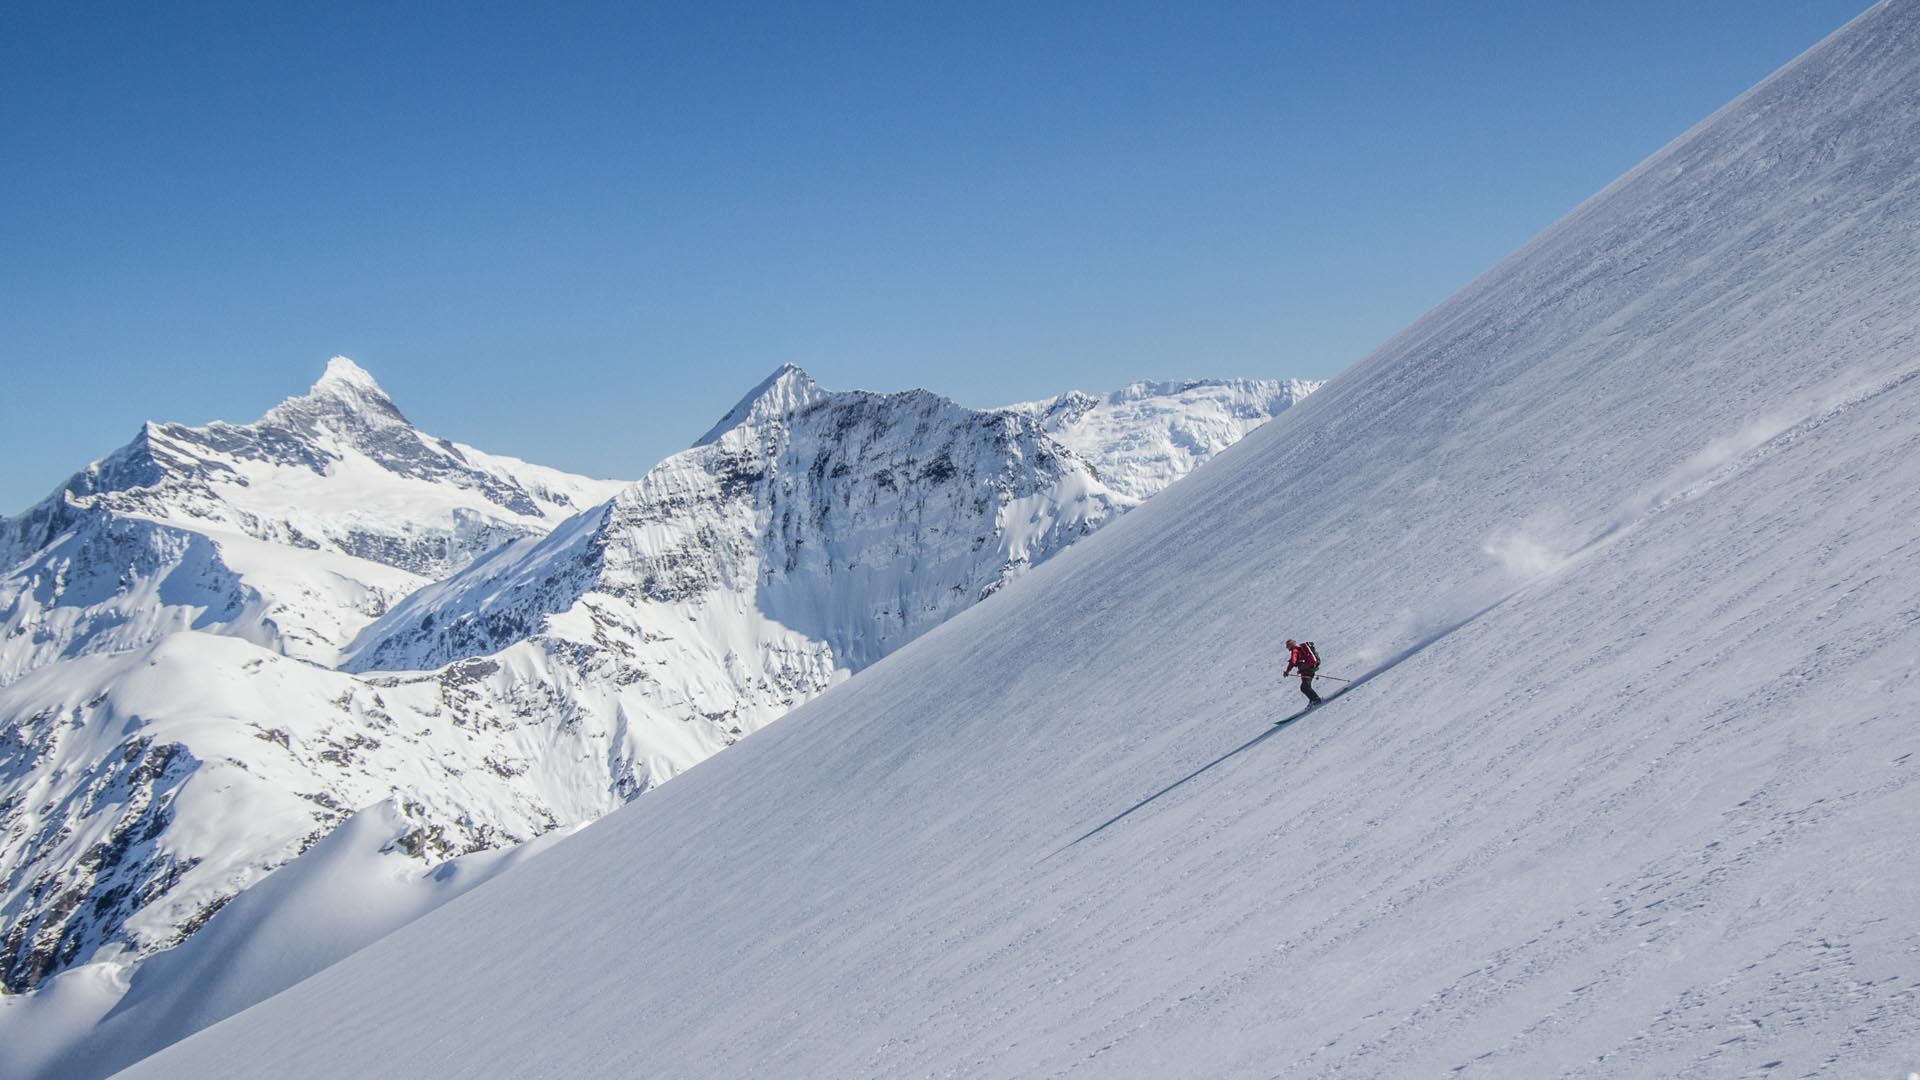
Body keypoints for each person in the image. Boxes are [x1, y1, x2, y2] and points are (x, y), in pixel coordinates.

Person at [1283, 639, 1322, 706]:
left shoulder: (1294, 651)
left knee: (1304, 687)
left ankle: (1316, 700)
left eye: (1288, 646)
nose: (1287, 648)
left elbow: (1293, 662)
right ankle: (1312, 700)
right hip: (1310, 669)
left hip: (1307, 670)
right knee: (1306, 686)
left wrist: (1287, 671)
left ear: (1291, 645)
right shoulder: (1300, 649)